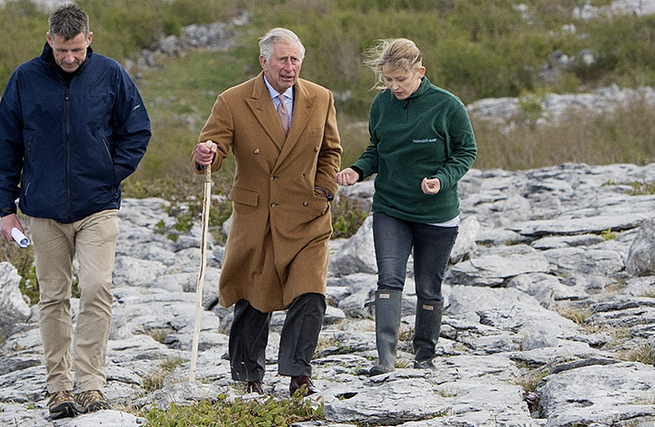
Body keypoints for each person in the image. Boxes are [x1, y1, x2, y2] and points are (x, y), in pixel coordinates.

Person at [0, 3, 151, 419]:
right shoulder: (24, 79)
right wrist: (6, 209)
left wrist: (109, 174)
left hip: (98, 206)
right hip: (42, 211)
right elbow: (6, 146)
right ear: (49, 40)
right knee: (54, 298)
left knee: (97, 289)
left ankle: (92, 385)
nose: (69, 58)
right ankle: (59, 388)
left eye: (77, 49)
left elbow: (137, 130)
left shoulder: (111, 74)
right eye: (62, 49)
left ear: (89, 40)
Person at [192, 28, 342, 396]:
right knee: (253, 296)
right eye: (282, 60)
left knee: (311, 292)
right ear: (264, 61)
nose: (289, 67)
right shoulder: (233, 100)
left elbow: (330, 151)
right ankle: (248, 378)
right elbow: (214, 146)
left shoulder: (320, 98)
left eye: (295, 60)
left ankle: (299, 375)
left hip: (308, 214)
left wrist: (325, 188)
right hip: (257, 216)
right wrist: (205, 156)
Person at [335, 38, 476, 374]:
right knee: (389, 279)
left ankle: (425, 356)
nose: (394, 86)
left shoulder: (448, 106)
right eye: (388, 80)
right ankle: (385, 359)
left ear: (420, 72)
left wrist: (442, 178)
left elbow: (466, 152)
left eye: (401, 79)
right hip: (391, 208)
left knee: (428, 286)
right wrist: (357, 170)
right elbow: (376, 151)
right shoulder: (382, 105)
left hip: (437, 214)